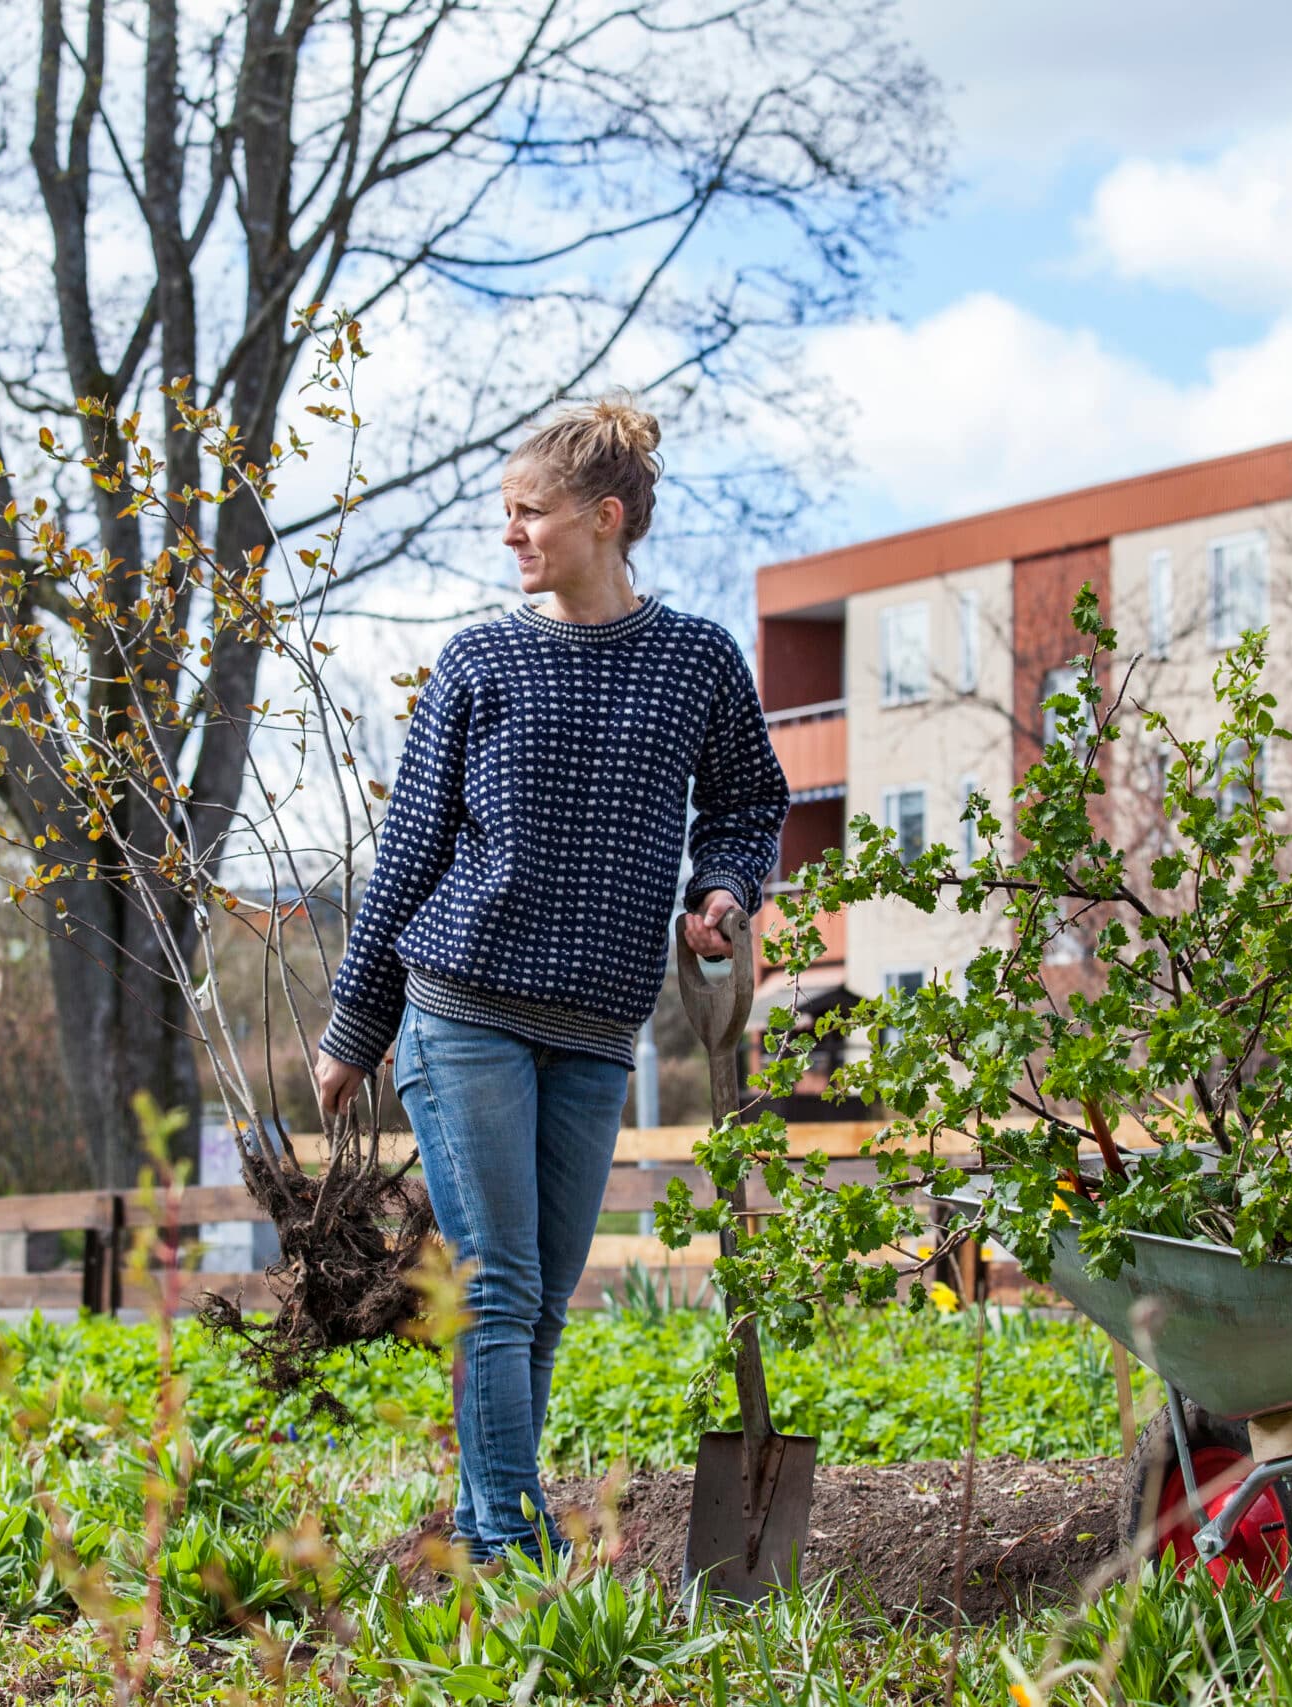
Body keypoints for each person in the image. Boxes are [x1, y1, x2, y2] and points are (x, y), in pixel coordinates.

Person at [311, 394, 790, 1563]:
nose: (511, 534)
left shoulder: (695, 661)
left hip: (595, 1030)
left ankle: (487, 1552)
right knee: (503, 1288)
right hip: (462, 1010)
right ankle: (512, 1557)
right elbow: (411, 849)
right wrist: (356, 1024)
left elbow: (749, 799)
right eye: (507, 514)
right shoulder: (482, 661)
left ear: (605, 519)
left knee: (531, 1307)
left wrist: (724, 887)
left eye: (530, 513)